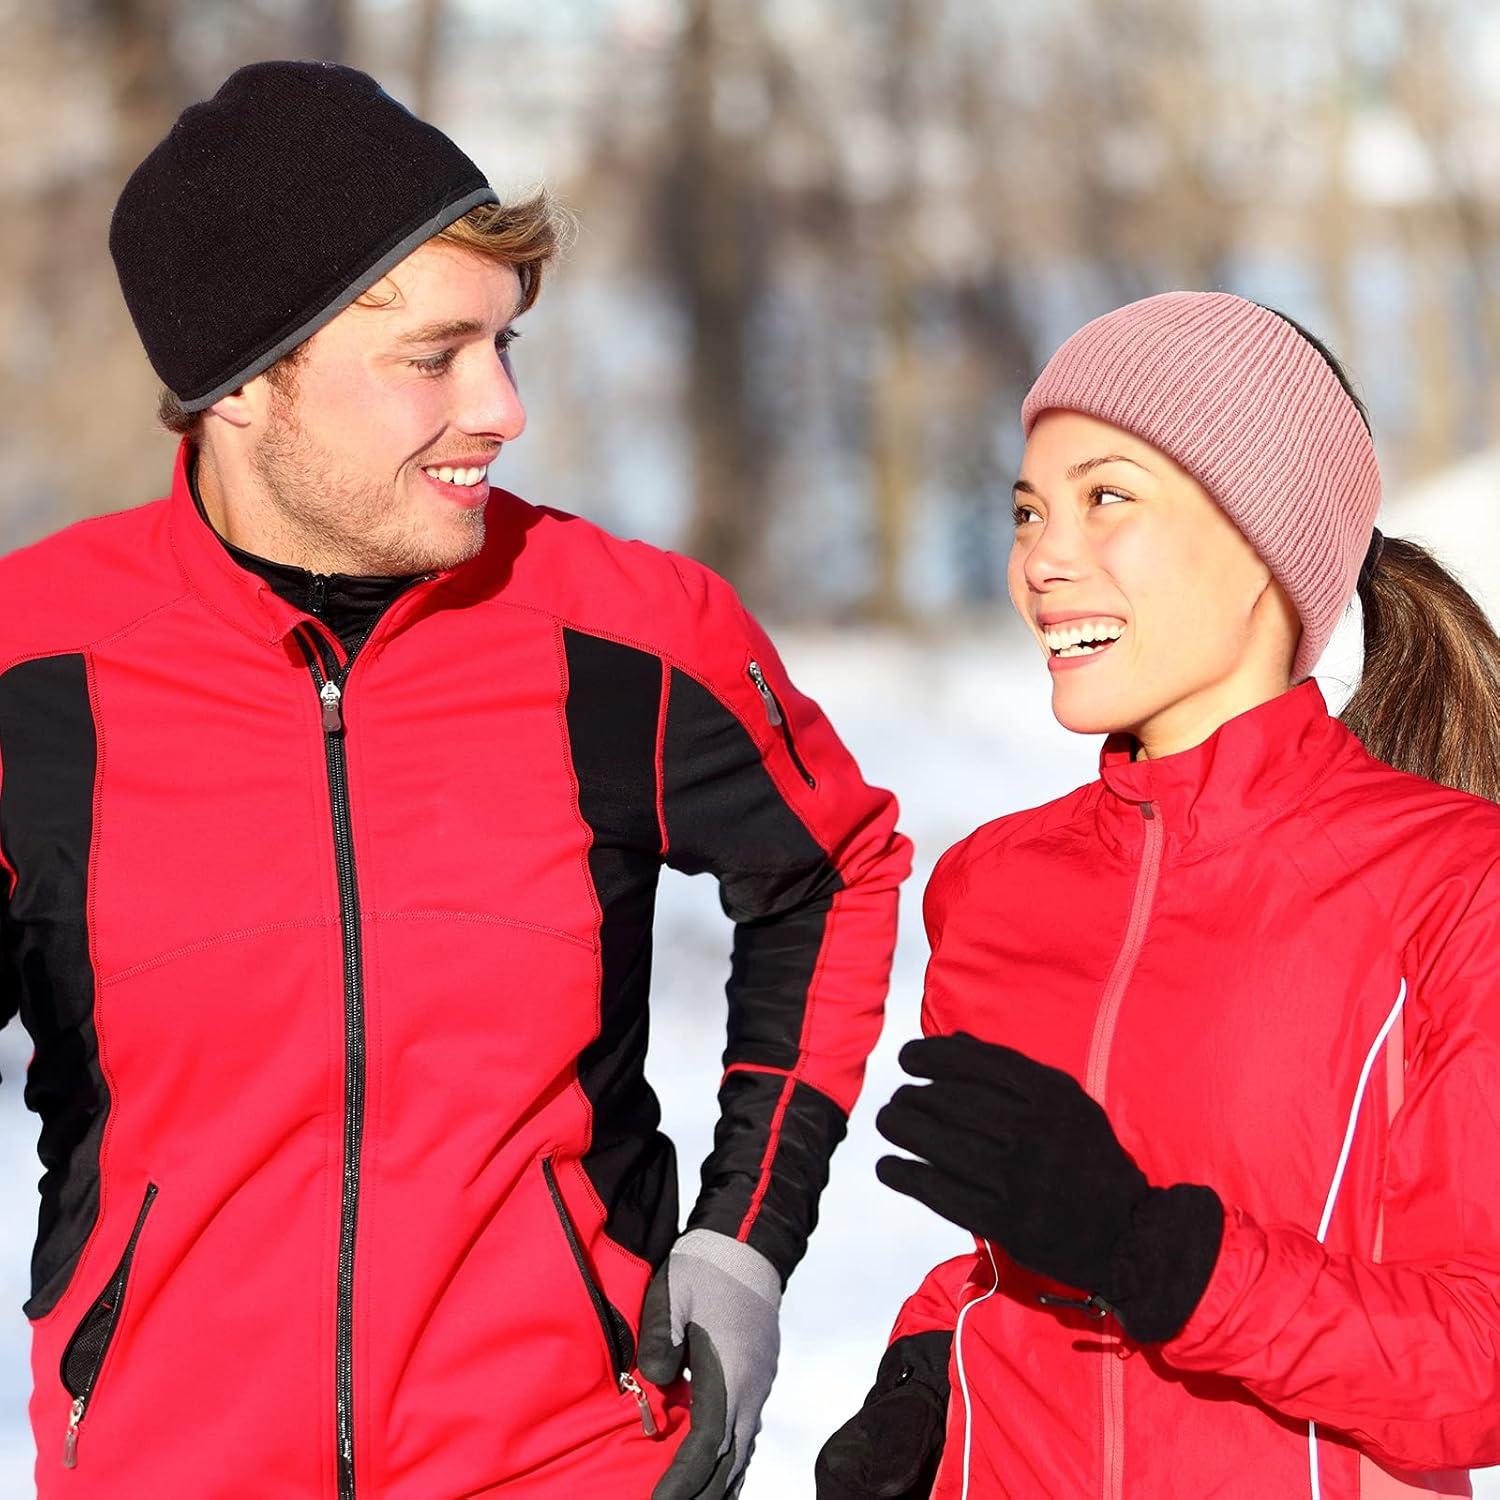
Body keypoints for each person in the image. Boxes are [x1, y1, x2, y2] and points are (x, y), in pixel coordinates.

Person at [0, 61, 911, 1499]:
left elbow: (833, 869)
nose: (501, 408)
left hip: (574, 1459)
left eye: (505, 345)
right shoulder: (34, 674)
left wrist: (743, 1241)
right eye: (433, 358)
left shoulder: (630, 636)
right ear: (242, 385)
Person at [816, 290, 1500, 1498]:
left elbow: (1476, 1365)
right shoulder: (993, 888)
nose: (1042, 560)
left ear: (1262, 536)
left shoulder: (1453, 883)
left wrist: (1156, 1255)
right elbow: (1008, 1257)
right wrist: (925, 1373)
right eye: (1028, 510)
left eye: (1107, 498)